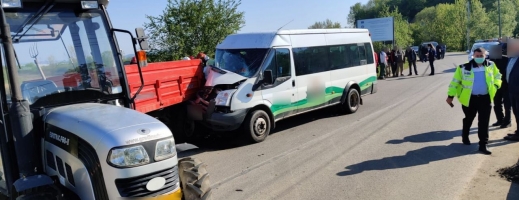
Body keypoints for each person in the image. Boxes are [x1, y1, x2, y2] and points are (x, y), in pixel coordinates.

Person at [446, 47, 502, 155]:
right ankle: (465, 135)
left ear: (485, 55)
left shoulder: (491, 65)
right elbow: (455, 83)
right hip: (470, 99)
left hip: (485, 99)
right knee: (469, 119)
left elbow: (498, 75)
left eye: (481, 56)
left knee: (484, 122)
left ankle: (483, 144)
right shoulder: (463, 67)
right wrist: (450, 96)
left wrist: (496, 85)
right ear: (473, 56)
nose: (479, 58)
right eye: (477, 56)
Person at [488, 44, 511, 128]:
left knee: (507, 104)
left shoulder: (507, 59)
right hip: (496, 85)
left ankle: (507, 121)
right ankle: (500, 120)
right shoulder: (490, 61)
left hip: (506, 85)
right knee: (497, 103)